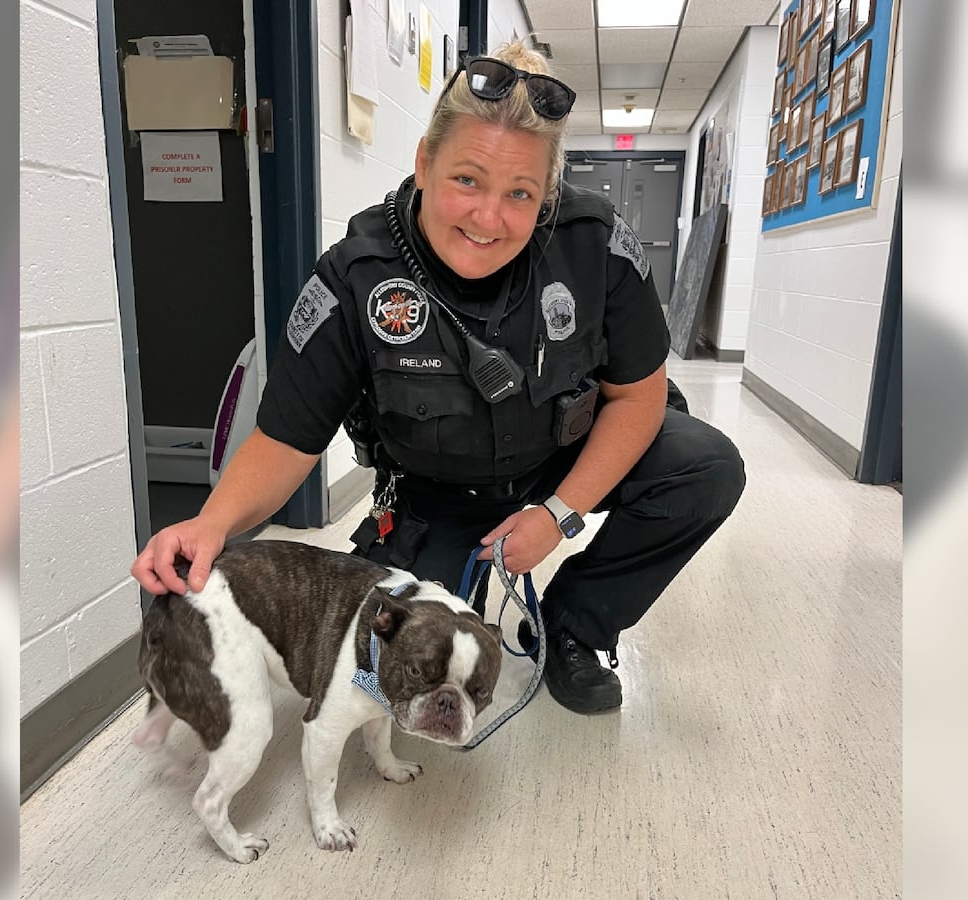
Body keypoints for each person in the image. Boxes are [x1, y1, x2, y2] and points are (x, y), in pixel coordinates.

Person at [131, 41, 745, 714]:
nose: (488, 218)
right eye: (467, 181)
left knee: (704, 467)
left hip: (562, 456)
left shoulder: (594, 244)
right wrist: (212, 524)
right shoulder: (356, 275)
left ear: (547, 194)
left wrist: (558, 514)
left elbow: (638, 397)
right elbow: (286, 441)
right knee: (384, 678)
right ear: (424, 162)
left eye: (520, 193)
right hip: (439, 491)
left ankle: (575, 625)